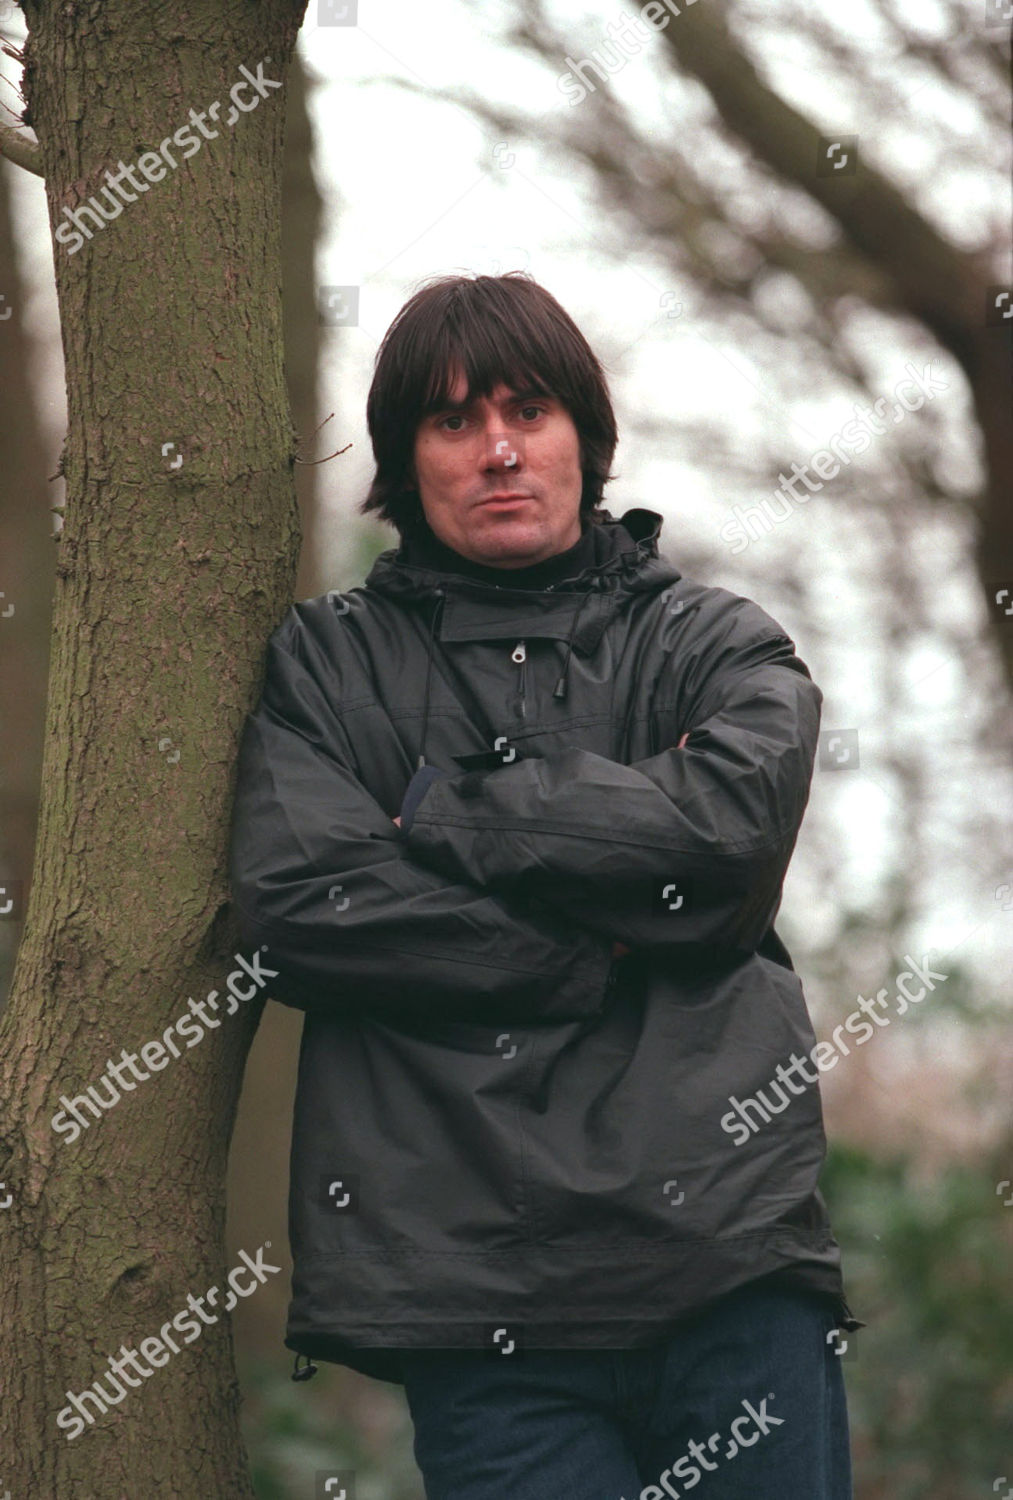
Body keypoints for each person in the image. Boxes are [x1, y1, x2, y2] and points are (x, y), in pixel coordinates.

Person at [227, 271, 860, 1499]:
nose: (499, 448)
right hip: (478, 1306)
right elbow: (303, 904)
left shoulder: (715, 645)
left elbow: (720, 846)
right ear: (407, 462)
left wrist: (441, 807)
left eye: (529, 409)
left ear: (587, 434)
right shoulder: (324, 665)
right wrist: (593, 949)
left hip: (725, 1269)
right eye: (452, 421)